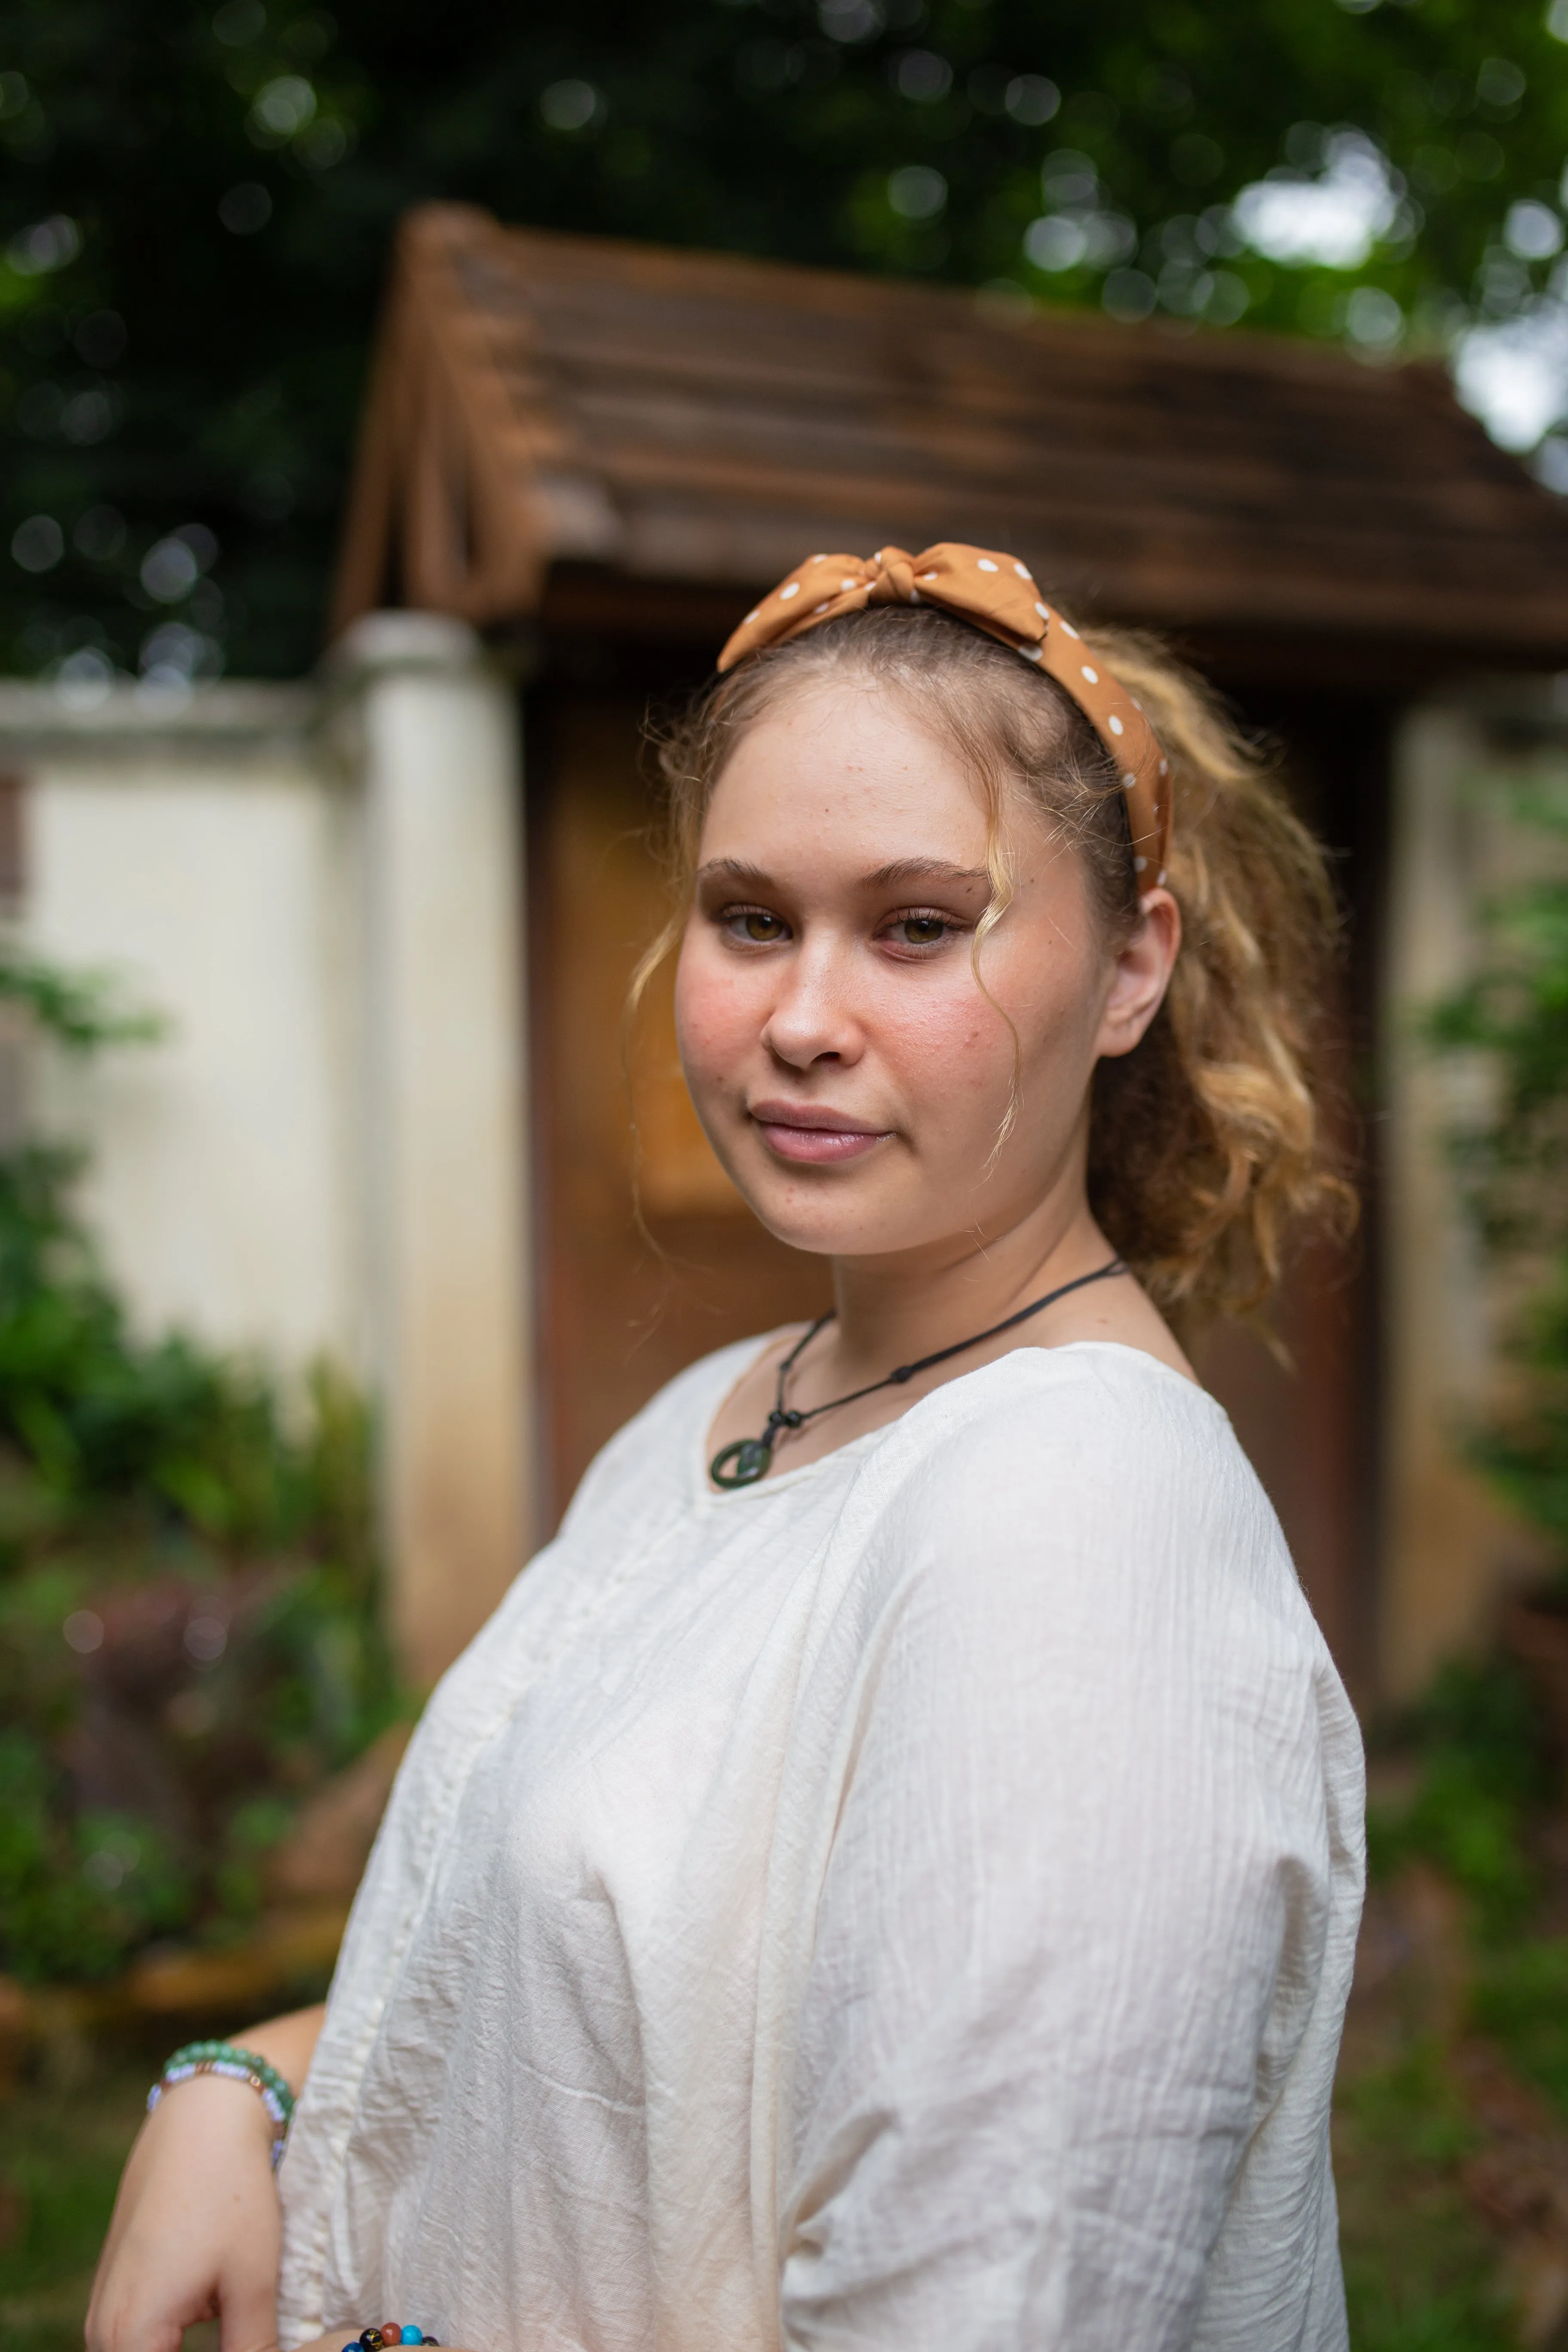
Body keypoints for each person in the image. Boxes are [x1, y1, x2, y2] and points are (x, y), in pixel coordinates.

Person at [89, 543, 1366, 2352]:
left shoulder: (1082, 1525)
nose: (800, 1020)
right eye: (751, 917)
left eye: (920, 926)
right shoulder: (719, 1418)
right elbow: (533, 1985)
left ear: (1132, 969)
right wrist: (243, 2084)